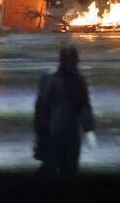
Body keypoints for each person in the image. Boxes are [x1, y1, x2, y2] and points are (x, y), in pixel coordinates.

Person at [34, 45, 95, 177]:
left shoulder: (50, 80)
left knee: (52, 167)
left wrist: (40, 133)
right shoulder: (78, 81)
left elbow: (41, 108)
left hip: (54, 132)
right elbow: (85, 106)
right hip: (67, 133)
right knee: (68, 168)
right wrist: (88, 128)